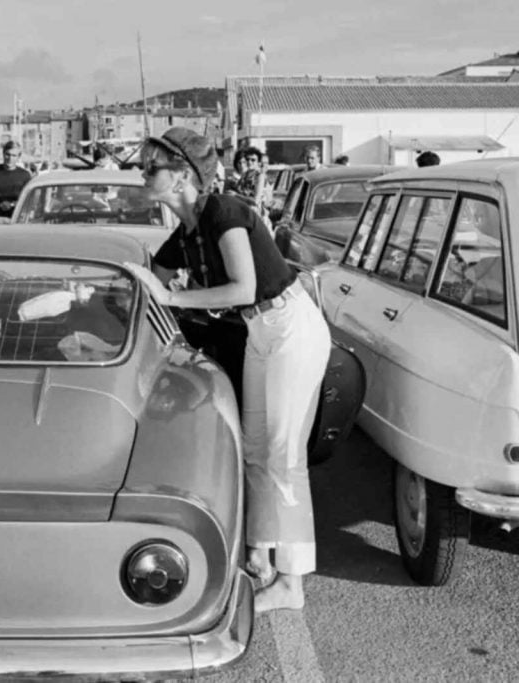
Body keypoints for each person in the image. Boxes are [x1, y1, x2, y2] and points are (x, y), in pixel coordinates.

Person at [124, 127, 331, 614]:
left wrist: (172, 297)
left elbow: (243, 287)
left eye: (151, 166)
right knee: (256, 449)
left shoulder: (225, 212)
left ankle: (290, 584)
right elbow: (146, 284)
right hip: (262, 332)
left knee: (284, 456)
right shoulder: (189, 231)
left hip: (289, 325)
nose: (143, 173)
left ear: (181, 176)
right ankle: (260, 558)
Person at [0, 141, 32, 217]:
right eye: (8, 154)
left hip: (16, 216)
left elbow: (29, 199)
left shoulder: (25, 175)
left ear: (18, 157)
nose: (10, 158)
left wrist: (12, 204)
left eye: (14, 155)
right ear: (3, 154)